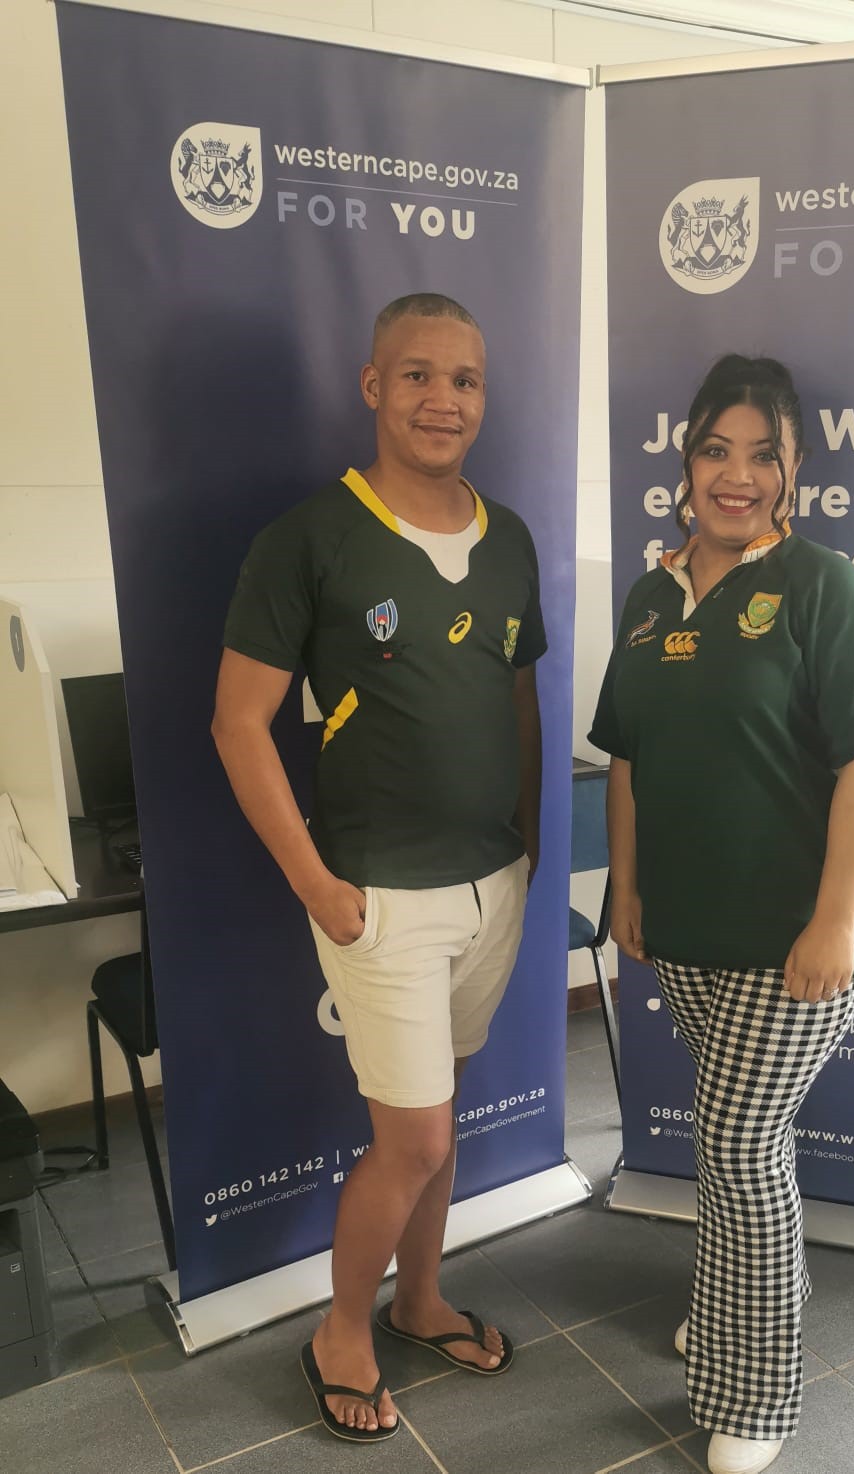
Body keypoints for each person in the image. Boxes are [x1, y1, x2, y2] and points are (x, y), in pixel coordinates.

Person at [212, 293, 544, 1442]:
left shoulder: (509, 538)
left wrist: (527, 842)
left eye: (464, 379)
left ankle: (419, 1298)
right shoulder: (308, 539)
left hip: (491, 883)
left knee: (438, 1115)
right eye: (416, 375)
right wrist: (317, 886)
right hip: (379, 897)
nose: (441, 399)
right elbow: (238, 723)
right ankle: (340, 1330)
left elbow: (518, 698)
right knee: (417, 1140)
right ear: (371, 386)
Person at [590, 354, 854, 1474]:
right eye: (716, 450)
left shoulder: (826, 589)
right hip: (685, 931)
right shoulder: (650, 596)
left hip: (794, 945)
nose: (737, 475)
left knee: (736, 1147)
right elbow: (627, 757)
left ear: (793, 469)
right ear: (686, 462)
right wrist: (626, 886)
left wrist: (833, 920)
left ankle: (755, 1389)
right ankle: (736, 1299)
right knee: (734, 1145)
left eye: (762, 455)